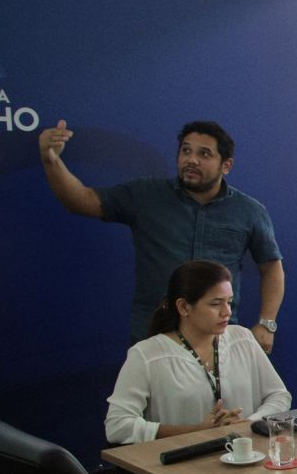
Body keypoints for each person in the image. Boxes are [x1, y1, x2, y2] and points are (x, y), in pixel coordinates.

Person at [106, 261, 291, 474]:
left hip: (245, 464)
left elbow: (279, 396)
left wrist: (247, 422)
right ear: (183, 306)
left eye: (229, 302)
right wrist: (196, 431)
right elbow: (117, 426)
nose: (226, 312)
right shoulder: (147, 355)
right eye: (215, 304)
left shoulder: (242, 339)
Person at [39, 119, 284, 351]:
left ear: (226, 165)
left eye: (204, 154)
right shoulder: (146, 195)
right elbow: (82, 200)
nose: (192, 160)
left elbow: (272, 267)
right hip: (153, 335)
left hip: (219, 338)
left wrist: (267, 323)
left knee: (218, 398)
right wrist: (51, 160)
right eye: (186, 151)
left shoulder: (249, 211)